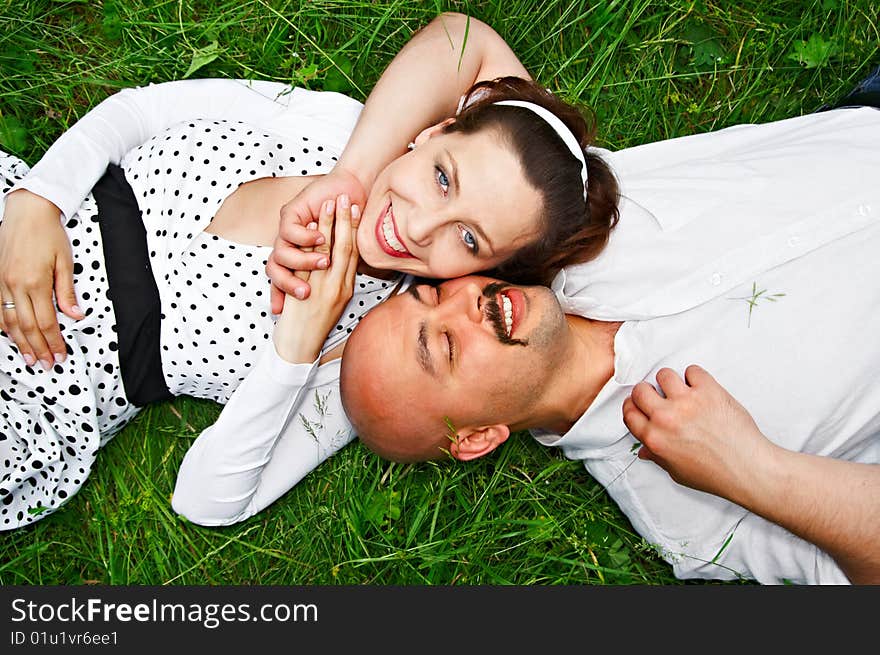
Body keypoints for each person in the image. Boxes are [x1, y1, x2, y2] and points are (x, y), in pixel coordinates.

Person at [0, 13, 619, 530]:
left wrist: (296, 345)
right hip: (31, 219)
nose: (418, 225)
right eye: (442, 177)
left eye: (468, 236)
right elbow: (142, 113)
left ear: (489, 268)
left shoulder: (376, 339)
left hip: (41, 374)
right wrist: (41, 198)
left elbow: (206, 502)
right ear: (434, 129)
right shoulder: (337, 128)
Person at [336, 91, 880, 584]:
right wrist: (757, 471)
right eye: (446, 347)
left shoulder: (554, 228)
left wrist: (344, 182)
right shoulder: (681, 511)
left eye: (433, 294)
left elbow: (462, 43)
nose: (465, 303)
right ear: (477, 437)